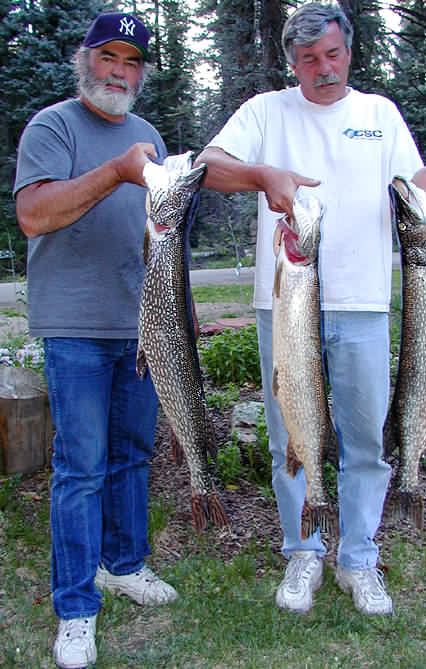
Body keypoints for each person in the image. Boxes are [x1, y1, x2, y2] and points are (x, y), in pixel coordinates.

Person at [194, 3, 426, 616]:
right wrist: (262, 174)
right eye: (308, 59)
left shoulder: (379, 115)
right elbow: (209, 168)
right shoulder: (264, 113)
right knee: (290, 440)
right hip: (286, 307)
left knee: (365, 439)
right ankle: (303, 549)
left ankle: (358, 556)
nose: (322, 69)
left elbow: (414, 190)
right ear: (292, 63)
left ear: (349, 53)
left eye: (332, 55)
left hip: (363, 305)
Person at [14, 12, 177, 669]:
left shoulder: (148, 135)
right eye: (108, 55)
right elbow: (33, 214)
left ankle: (123, 562)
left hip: (140, 326)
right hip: (75, 328)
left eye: (132, 61)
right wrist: (115, 172)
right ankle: (76, 608)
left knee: (133, 453)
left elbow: (160, 230)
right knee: (80, 468)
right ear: (85, 60)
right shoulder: (51, 126)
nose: (119, 70)